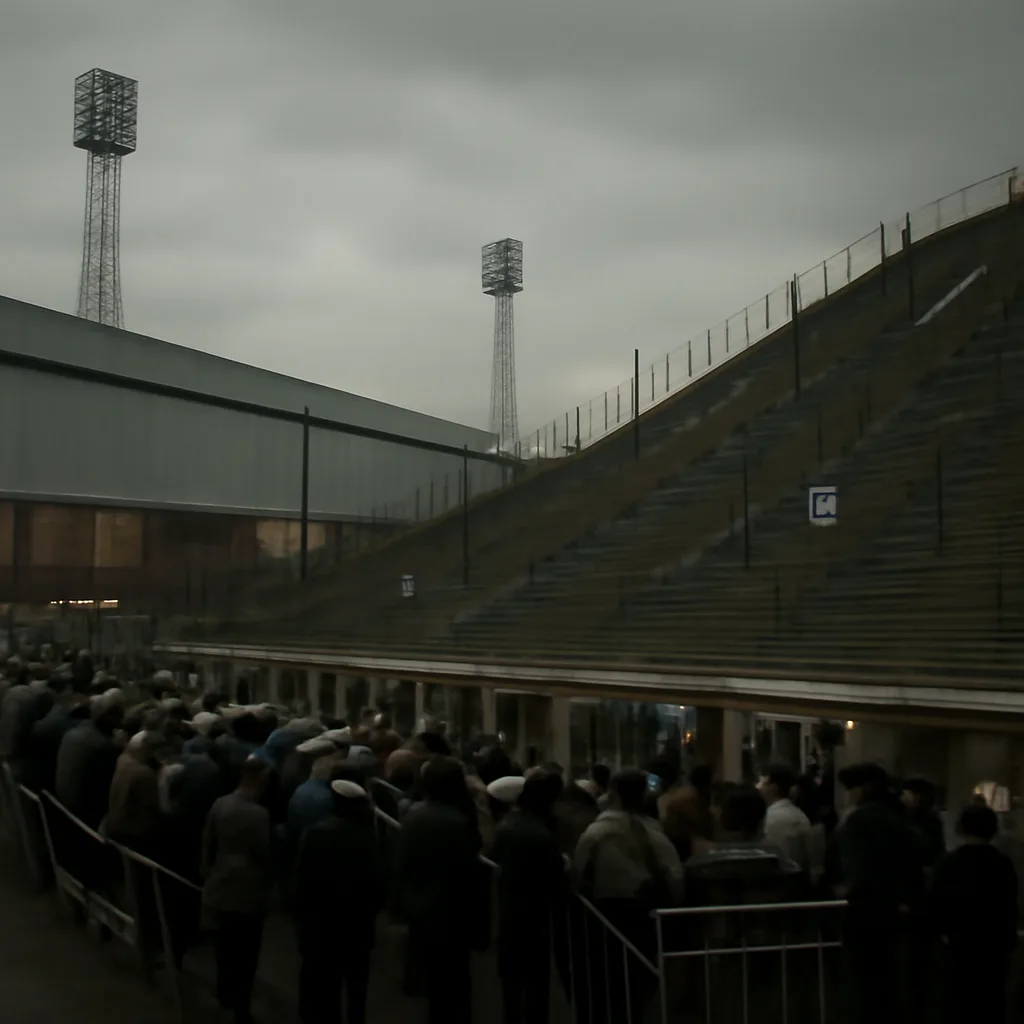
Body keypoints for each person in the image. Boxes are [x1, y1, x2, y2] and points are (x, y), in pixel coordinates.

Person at [574, 769, 683, 1024]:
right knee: (639, 985)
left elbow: (580, 870)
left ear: (612, 793)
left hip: (603, 918)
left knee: (603, 988)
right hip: (644, 917)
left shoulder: (597, 832)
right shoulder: (655, 833)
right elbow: (674, 876)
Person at [394, 756, 486, 1024]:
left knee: (433, 988)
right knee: (454, 989)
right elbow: (469, 874)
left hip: (420, 909)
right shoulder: (458, 822)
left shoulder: (413, 816)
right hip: (452, 913)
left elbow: (402, 864)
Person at [834, 762, 926, 1024]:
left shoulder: (859, 820)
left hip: (864, 911)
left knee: (862, 983)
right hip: (894, 911)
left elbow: (857, 868)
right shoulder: (898, 818)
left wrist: (847, 887)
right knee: (888, 982)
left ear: (863, 789)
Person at [294, 771, 384, 1024]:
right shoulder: (366, 836)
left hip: (322, 923)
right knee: (356, 986)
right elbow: (376, 882)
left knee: (326, 986)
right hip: (357, 923)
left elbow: (302, 879)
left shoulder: (316, 833)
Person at [201, 756, 275, 1024]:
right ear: (258, 780)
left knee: (224, 948)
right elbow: (264, 855)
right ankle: (241, 1006)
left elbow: (208, 843)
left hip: (219, 887)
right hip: (248, 893)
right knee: (247, 952)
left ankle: (224, 994)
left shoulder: (220, 804)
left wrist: (207, 873)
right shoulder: (259, 814)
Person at [930, 804, 1018, 1024]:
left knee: (957, 1005)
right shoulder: (1002, 863)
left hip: (958, 945)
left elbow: (936, 905)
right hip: (993, 946)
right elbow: (1010, 904)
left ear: (961, 828)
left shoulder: (949, 863)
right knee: (990, 1004)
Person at [491, 772, 567, 1024]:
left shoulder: (507, 827)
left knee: (511, 987)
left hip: (509, 911)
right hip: (536, 915)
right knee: (536, 987)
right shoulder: (543, 836)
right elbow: (556, 878)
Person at [758, 763, 817, 878]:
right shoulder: (800, 815)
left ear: (773, 787)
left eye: (762, 783)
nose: (758, 787)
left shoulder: (770, 817)